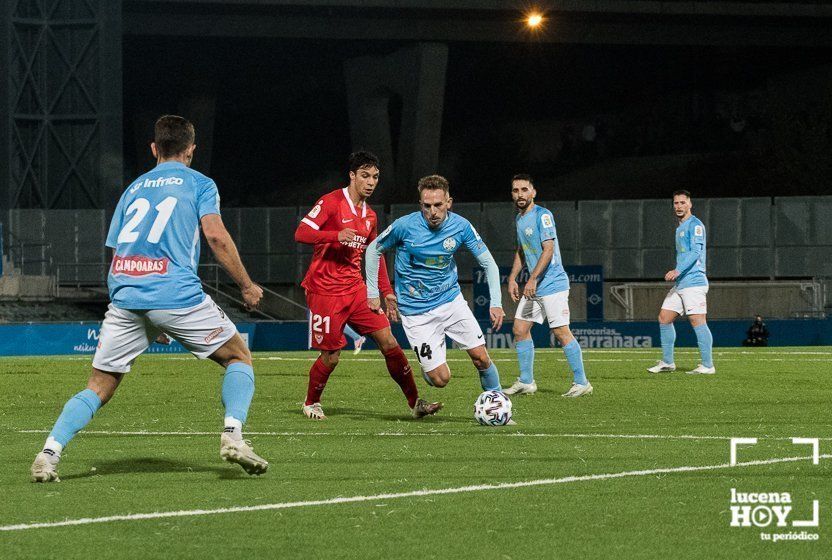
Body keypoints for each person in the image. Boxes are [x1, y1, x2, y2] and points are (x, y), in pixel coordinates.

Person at [30, 115, 268, 482]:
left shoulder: (133, 189)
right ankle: (233, 435)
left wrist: (144, 315)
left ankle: (49, 452)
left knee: (98, 386)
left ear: (154, 148)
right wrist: (247, 285)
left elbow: (116, 251)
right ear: (191, 149)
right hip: (175, 293)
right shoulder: (200, 184)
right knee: (239, 356)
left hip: (126, 296)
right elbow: (216, 236)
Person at [294, 151, 440, 420]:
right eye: (365, 176)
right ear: (352, 176)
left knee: (389, 341)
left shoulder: (370, 216)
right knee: (332, 356)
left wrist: (385, 291)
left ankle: (415, 403)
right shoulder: (330, 202)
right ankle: (311, 402)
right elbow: (301, 233)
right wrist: (334, 235)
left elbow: (375, 255)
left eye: (375, 177)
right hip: (325, 291)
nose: (371, 182)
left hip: (356, 289)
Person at [364, 174, 505, 393]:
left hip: (450, 301)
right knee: (440, 379)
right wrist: (373, 292)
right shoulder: (405, 226)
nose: (433, 212)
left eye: (438, 205)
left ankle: (498, 404)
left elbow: (489, 264)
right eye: (427, 206)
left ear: (449, 202)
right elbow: (373, 249)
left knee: (481, 358)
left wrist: (496, 302)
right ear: (420, 204)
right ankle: (428, 367)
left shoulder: (461, 227)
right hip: (416, 312)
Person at [503, 174, 592, 397]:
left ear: (533, 192)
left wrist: (531, 279)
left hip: (552, 284)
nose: (520, 194)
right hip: (535, 285)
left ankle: (582, 383)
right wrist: (513, 277)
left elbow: (548, 249)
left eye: (524, 190)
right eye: (516, 190)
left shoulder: (543, 215)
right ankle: (526, 381)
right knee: (520, 329)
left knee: (561, 332)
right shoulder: (519, 219)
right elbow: (521, 251)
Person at [647, 190, 715, 374]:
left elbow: (695, 252)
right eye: (676, 203)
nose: (679, 206)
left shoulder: (695, 225)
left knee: (697, 320)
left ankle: (708, 366)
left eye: (682, 202)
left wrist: (677, 270)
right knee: (664, 317)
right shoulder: (680, 227)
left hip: (694, 281)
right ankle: (667, 362)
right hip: (682, 282)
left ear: (690, 204)